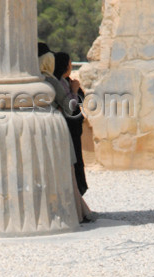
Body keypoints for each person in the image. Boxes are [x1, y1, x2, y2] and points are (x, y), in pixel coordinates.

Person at [39, 51, 96, 223]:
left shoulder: (56, 81)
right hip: (65, 130)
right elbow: (69, 105)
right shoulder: (53, 83)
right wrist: (74, 91)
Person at [53, 51, 88, 196]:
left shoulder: (66, 81)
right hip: (68, 128)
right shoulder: (58, 83)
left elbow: (81, 98)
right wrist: (73, 90)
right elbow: (69, 106)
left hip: (74, 128)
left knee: (78, 162)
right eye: (69, 63)